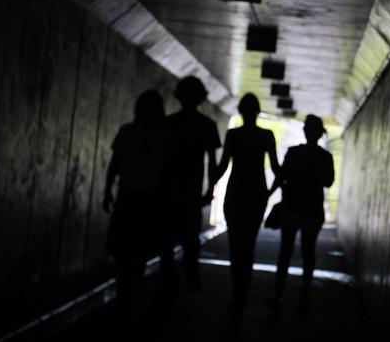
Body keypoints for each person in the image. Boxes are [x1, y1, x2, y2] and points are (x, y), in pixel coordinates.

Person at [102, 90, 174, 323]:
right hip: (151, 198)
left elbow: (115, 164)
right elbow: (170, 170)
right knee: (141, 248)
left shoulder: (127, 132)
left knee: (122, 247)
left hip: (128, 195)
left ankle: (125, 292)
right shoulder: (165, 135)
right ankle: (131, 292)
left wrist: (107, 191)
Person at [212, 93, 280, 312]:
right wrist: (270, 192)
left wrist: (206, 188)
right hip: (256, 194)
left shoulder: (233, 136)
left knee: (235, 243)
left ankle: (237, 290)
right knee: (248, 243)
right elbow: (277, 170)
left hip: (235, 193)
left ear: (240, 111)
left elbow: (222, 167)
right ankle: (244, 288)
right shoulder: (266, 136)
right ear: (257, 111)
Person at [266, 114, 334, 315]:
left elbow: (281, 177)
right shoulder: (325, 157)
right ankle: (304, 298)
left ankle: (278, 295)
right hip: (312, 210)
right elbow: (328, 182)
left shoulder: (293, 153)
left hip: (292, 208)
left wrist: (267, 195)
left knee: (285, 252)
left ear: (306, 131)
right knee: (308, 253)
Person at [166, 76, 221, 294]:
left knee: (167, 241)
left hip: (169, 192)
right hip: (192, 193)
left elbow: (162, 159)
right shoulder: (207, 125)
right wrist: (209, 192)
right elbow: (212, 164)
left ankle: (171, 283)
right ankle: (191, 283)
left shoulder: (169, 123)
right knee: (190, 243)